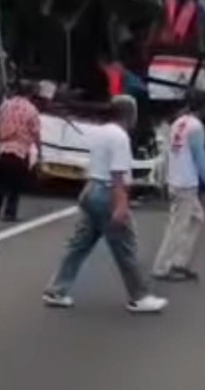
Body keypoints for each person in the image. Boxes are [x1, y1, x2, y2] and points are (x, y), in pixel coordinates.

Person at [42, 95, 168, 313]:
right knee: (126, 246)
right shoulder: (119, 137)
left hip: (91, 189)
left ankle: (56, 289)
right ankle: (139, 296)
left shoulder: (100, 132)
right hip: (107, 193)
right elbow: (118, 174)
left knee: (79, 245)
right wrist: (121, 205)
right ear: (130, 114)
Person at [152, 89, 205, 282]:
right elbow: (200, 158)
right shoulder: (197, 127)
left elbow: (167, 154)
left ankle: (179, 261)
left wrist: (163, 179)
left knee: (196, 218)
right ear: (204, 107)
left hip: (175, 180)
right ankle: (162, 267)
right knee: (178, 227)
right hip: (186, 183)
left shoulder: (178, 123)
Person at [0, 80, 41, 222]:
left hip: (4, 148)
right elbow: (36, 133)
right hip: (20, 151)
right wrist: (39, 151)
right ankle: (9, 213)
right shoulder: (31, 110)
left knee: (0, 182)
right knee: (15, 185)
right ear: (30, 93)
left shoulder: (5, 106)